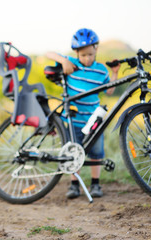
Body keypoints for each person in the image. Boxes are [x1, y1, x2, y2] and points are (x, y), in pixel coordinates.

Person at [45, 28, 120, 199]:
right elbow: (48, 53)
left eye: (90, 55)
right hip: (73, 119)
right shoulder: (73, 63)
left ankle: (95, 184)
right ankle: (74, 185)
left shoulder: (101, 71)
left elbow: (109, 91)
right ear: (76, 53)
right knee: (74, 153)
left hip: (93, 119)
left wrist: (115, 73)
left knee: (96, 153)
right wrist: (63, 61)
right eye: (83, 55)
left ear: (96, 50)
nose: (87, 59)